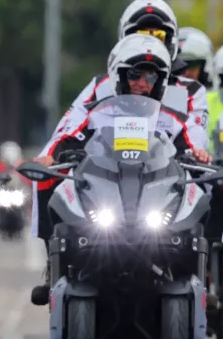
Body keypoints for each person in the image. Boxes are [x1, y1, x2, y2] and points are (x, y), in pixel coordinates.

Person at [29, 34, 212, 304]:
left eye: (150, 78)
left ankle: (203, 284)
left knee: (198, 204)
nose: (141, 84)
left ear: (159, 82)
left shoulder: (173, 118)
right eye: (135, 75)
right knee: (53, 190)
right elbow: (68, 135)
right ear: (121, 76)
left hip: (153, 198)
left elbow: (191, 143)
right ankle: (52, 270)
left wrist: (198, 153)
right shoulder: (94, 113)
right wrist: (51, 156)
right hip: (104, 193)